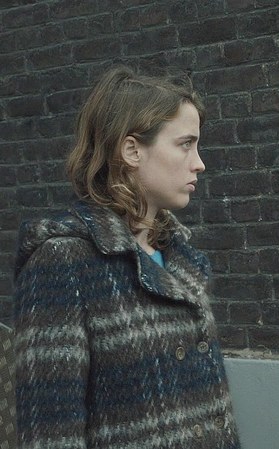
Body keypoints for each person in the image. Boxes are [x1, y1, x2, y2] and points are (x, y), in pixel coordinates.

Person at [14, 66, 240, 448]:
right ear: (132, 150)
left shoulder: (181, 258)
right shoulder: (63, 262)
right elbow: (50, 433)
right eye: (185, 144)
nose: (199, 162)